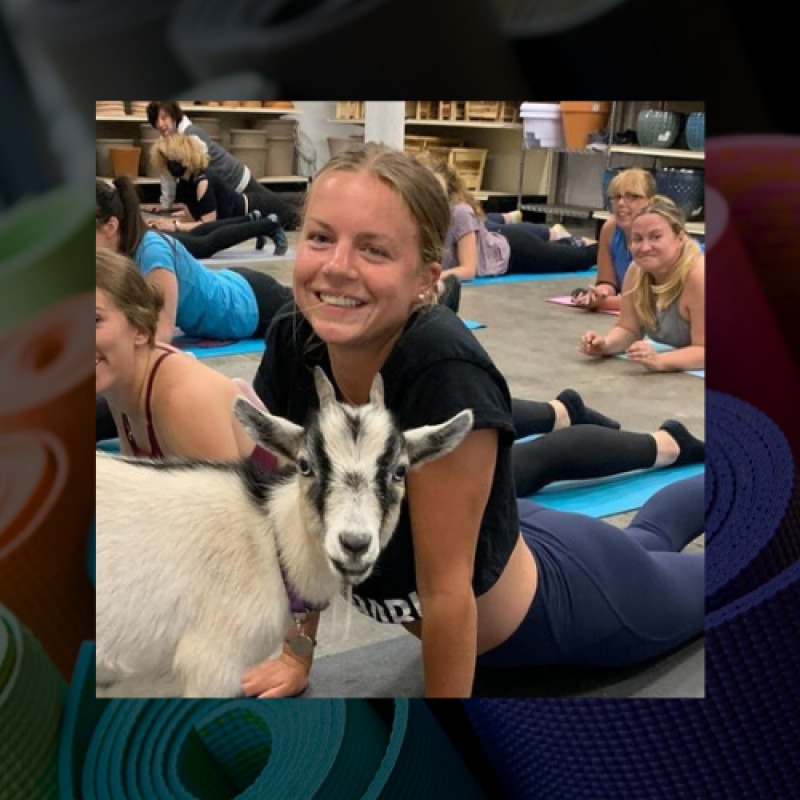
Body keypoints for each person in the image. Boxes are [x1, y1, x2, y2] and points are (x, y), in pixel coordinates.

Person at [241, 143, 704, 699]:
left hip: (564, 609)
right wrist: (297, 655)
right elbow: (302, 525)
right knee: (649, 538)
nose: (338, 267)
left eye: (374, 249)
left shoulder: (442, 369)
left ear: (424, 278)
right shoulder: (296, 339)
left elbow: (445, 595)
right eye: (320, 237)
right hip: (524, 537)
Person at [96, 247, 275, 471]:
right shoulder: (121, 381)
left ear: (140, 329)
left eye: (94, 320)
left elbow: (222, 505)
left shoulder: (181, 401)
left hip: (251, 305)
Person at [95, 176, 294, 344]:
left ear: (111, 226)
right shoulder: (120, 254)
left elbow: (162, 334)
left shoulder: (152, 253)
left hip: (249, 306)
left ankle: (269, 222)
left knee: (309, 312)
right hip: (233, 286)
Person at [422, 156, 599, 282]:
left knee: (578, 259)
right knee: (561, 250)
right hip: (503, 240)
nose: (431, 197)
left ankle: (605, 246)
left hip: (515, 252)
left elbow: (468, 270)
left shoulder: (460, 213)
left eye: (436, 191)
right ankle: (569, 241)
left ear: (447, 191)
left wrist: (434, 278)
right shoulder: (422, 216)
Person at [580, 198, 705, 372]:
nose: (645, 247)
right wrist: (605, 344)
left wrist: (661, 361)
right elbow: (629, 329)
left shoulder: (698, 276)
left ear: (679, 238)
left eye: (656, 237)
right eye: (637, 239)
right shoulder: (636, 271)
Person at [144, 100, 301, 229]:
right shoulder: (166, 142)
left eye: (164, 118)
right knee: (274, 202)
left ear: (174, 116)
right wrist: (166, 206)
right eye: (156, 121)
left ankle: (304, 202)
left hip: (235, 179)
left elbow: (199, 166)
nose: (160, 124)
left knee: (276, 205)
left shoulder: (191, 134)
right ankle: (301, 201)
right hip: (224, 189)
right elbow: (167, 177)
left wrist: (183, 220)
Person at [149, 133, 289, 256]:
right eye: (167, 162)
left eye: (172, 161)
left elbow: (207, 226)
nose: (169, 166)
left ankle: (267, 224)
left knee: (295, 209)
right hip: (242, 213)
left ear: (184, 158)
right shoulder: (185, 184)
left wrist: (175, 225)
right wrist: (168, 224)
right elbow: (192, 218)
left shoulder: (203, 181)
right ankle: (257, 226)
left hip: (260, 206)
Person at [571, 167, 657, 313]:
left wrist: (601, 303)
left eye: (632, 196)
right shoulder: (610, 229)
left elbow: (652, 301)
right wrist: (599, 293)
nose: (621, 203)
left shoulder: (659, 235)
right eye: (617, 197)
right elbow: (607, 281)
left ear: (651, 202)